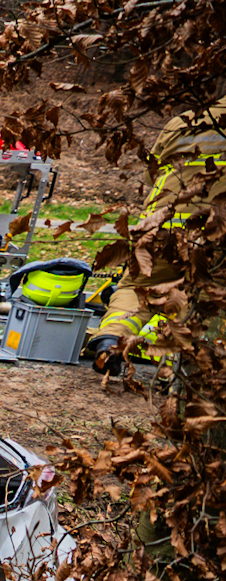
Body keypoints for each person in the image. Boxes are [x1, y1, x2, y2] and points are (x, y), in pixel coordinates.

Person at [84, 95, 226, 373]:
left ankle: (111, 340)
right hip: (214, 233)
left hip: (160, 228)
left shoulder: (183, 121)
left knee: (135, 289)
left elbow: (154, 175)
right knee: (204, 299)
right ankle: (183, 375)